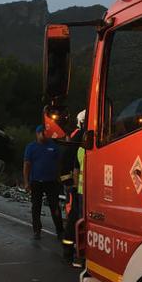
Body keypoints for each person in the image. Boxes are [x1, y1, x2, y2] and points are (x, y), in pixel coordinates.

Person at [24, 124, 63, 240]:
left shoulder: (54, 147)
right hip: (36, 181)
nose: (44, 135)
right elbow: (26, 165)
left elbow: (59, 163)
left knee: (55, 206)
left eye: (46, 133)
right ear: (37, 134)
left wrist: (59, 177)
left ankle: (60, 230)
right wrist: (26, 182)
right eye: (42, 133)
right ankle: (37, 230)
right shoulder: (31, 147)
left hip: (51, 182)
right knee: (36, 207)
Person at [63, 110, 86, 266]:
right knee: (75, 220)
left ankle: (70, 251)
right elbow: (68, 160)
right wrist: (69, 183)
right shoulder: (78, 138)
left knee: (75, 220)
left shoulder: (80, 142)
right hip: (80, 191)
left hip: (79, 189)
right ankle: (72, 252)